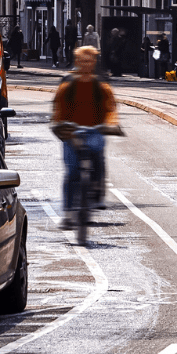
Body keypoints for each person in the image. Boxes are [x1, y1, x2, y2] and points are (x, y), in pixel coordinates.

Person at [52, 46, 119, 228]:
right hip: (71, 132)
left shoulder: (101, 87)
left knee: (97, 152)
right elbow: (58, 110)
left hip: (94, 130)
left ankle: (97, 189)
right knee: (71, 172)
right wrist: (60, 125)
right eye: (82, 61)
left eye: (89, 61)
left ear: (94, 63)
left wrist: (111, 124)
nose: (86, 64)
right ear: (77, 62)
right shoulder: (67, 86)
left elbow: (111, 109)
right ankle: (67, 213)